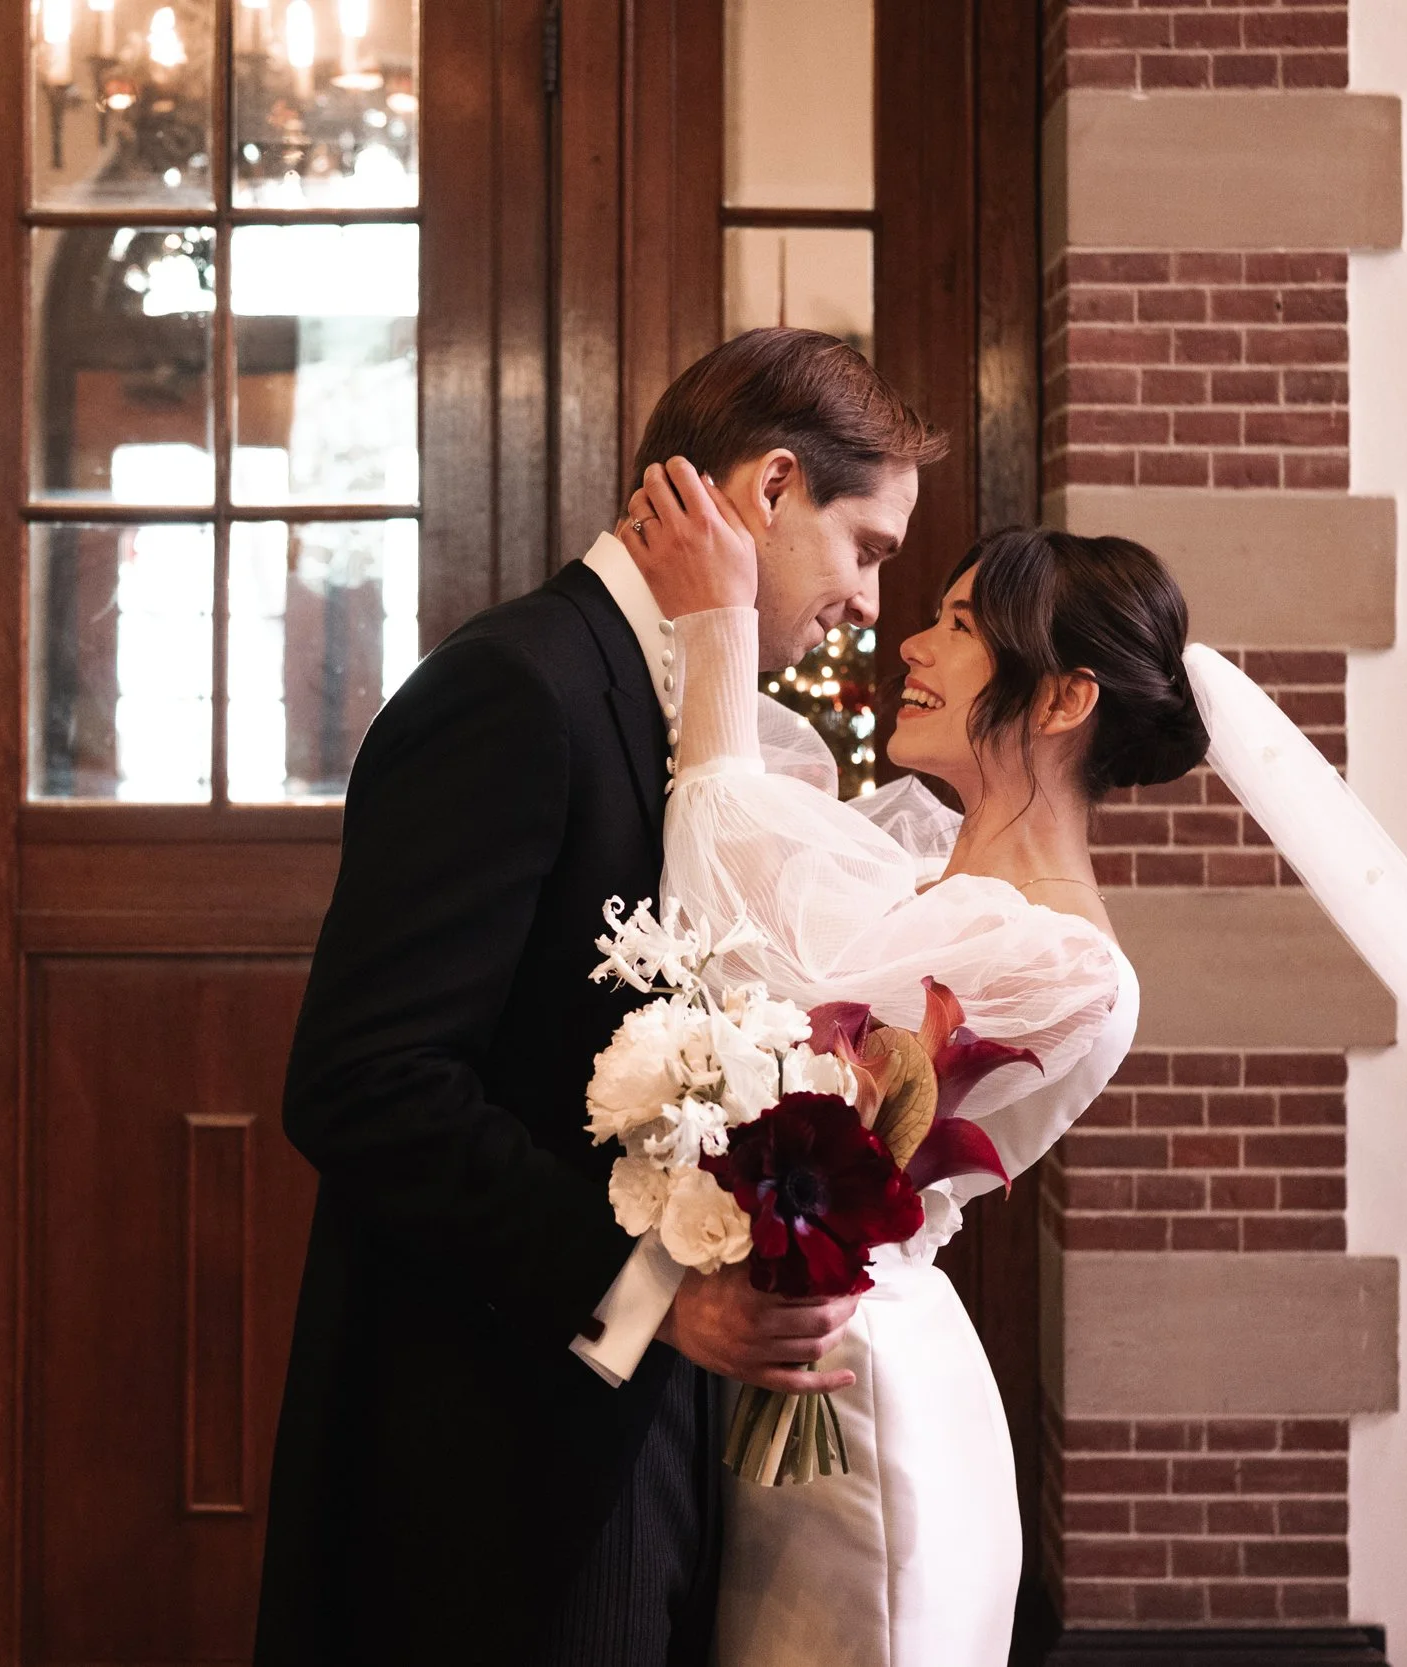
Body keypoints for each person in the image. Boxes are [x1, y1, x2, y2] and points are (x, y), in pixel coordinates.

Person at [252, 328, 946, 1666]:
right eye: (868, 547)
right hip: (495, 1445)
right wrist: (647, 1292)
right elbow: (366, 1082)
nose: (867, 604)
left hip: (642, 1417)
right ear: (775, 487)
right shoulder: (518, 688)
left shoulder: (680, 709)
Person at [618, 468, 1210, 1665]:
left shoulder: (1050, 956)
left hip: (864, 1397)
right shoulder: (920, 879)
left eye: (957, 625)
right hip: (809, 1363)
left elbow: (718, 862)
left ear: (1062, 699)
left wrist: (722, 628)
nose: (911, 642)